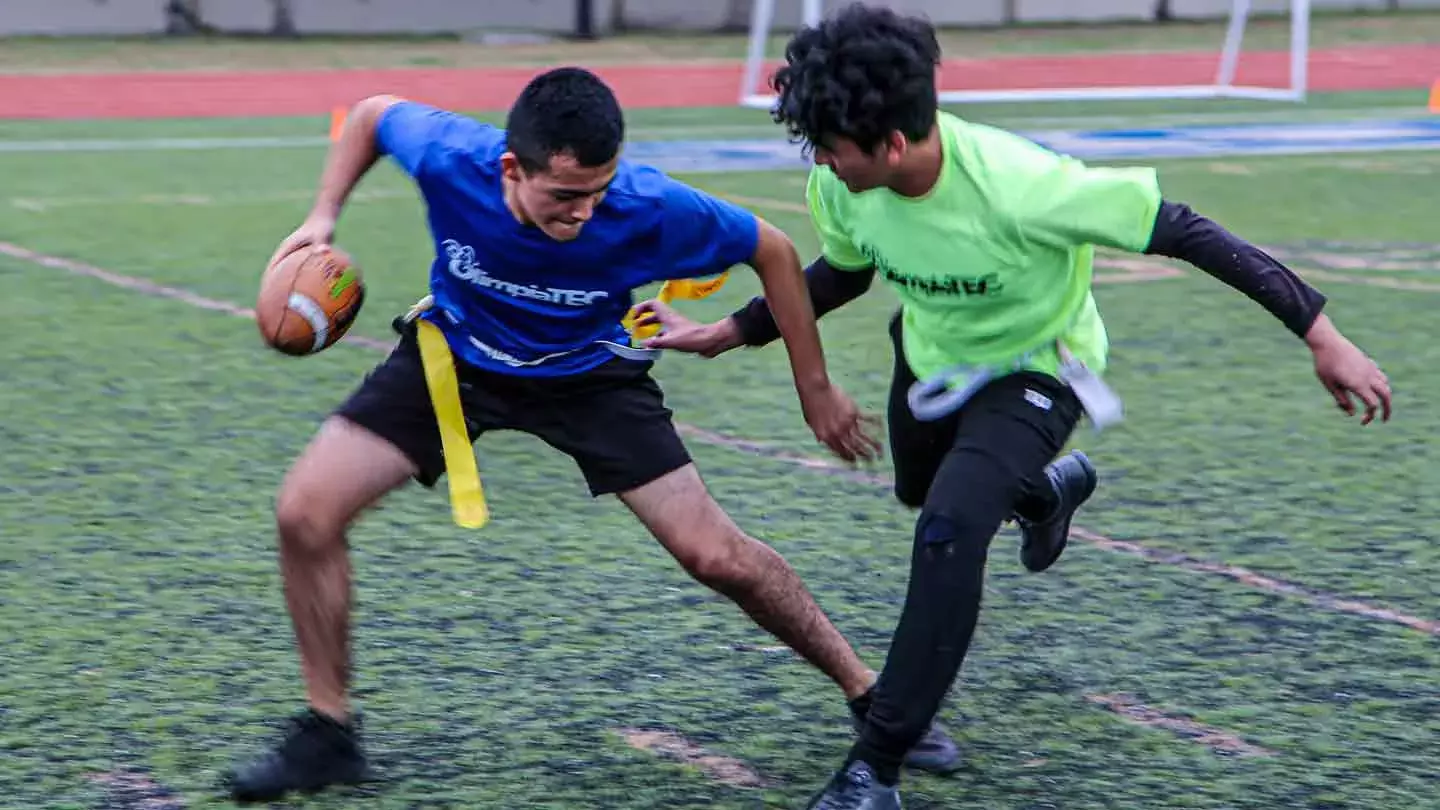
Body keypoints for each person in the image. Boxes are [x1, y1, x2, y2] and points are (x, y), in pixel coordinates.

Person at [632, 5, 1394, 808]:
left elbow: (1185, 231)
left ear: (893, 144)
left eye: (831, 146)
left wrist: (1320, 330)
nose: (820, 160)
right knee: (925, 491)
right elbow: (845, 273)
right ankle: (1046, 493)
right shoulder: (841, 185)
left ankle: (875, 767)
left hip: (1040, 369)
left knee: (952, 529)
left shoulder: (1025, 185)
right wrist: (734, 330)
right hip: (930, 361)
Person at [223, 66, 963, 803]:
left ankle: (872, 696)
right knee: (305, 513)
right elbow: (372, 113)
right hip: (454, 358)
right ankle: (329, 732)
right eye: (566, 196)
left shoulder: (645, 207)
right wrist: (322, 218)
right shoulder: (452, 157)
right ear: (512, 168)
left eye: (598, 191)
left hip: (590, 379)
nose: (583, 212)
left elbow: (769, 249)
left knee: (718, 557)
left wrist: (816, 387)